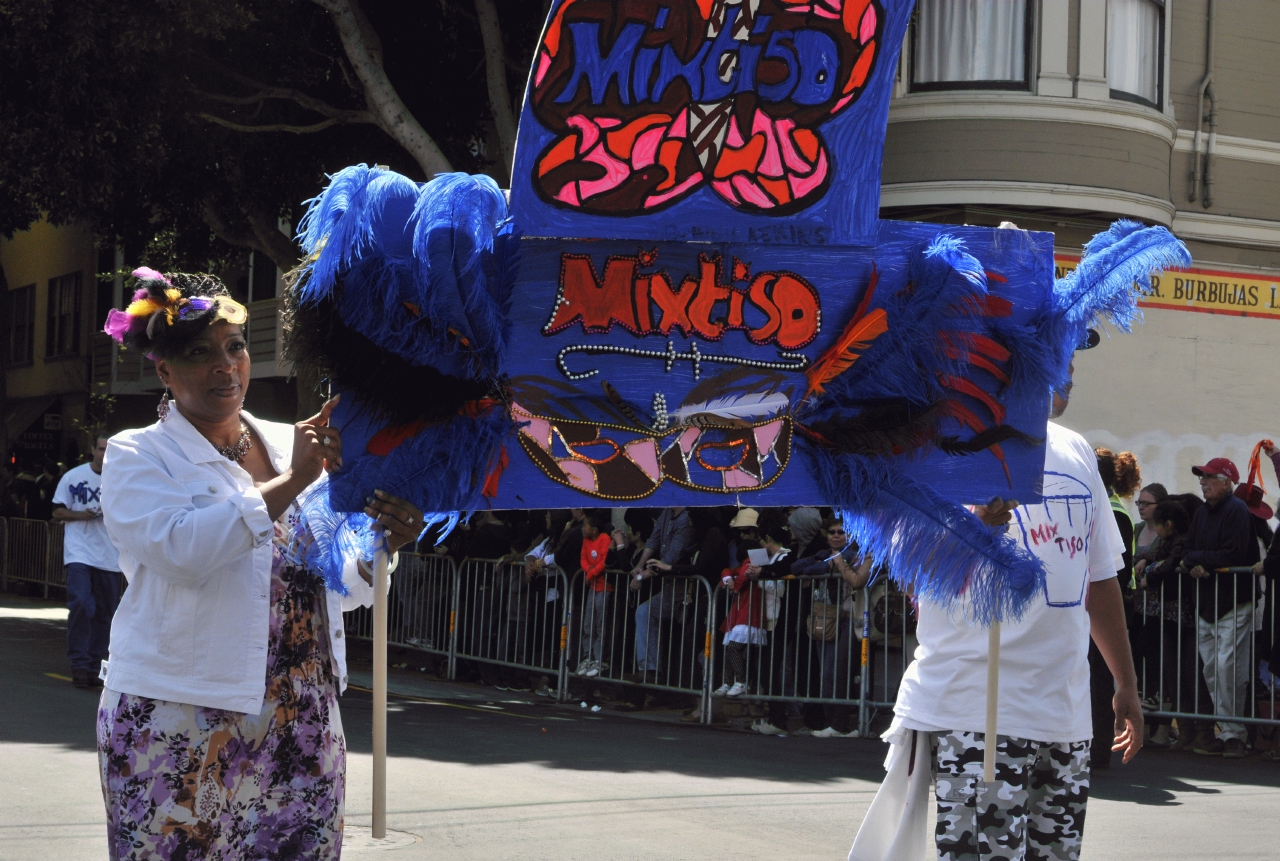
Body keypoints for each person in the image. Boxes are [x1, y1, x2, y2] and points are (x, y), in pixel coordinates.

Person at [97, 269, 423, 859]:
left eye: (235, 347)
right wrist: (292, 481)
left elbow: (338, 580)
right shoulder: (137, 453)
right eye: (200, 353)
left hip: (302, 716)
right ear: (163, 370)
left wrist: (383, 548)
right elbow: (183, 551)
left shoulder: (287, 439)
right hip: (180, 717)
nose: (225, 366)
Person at [850, 359, 1142, 861]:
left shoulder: (1075, 451)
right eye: (1051, 353)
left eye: (1069, 355)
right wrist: (977, 529)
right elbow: (912, 566)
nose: (1064, 368)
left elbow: (1099, 579)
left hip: (1065, 716)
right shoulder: (943, 447)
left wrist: (1125, 682)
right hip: (977, 712)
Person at [1181, 457, 1259, 758]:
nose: (1203, 481)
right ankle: (1228, 730)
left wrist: (1198, 562)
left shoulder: (1237, 510)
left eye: (1209, 477)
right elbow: (1190, 550)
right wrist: (1194, 561)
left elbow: (1234, 552)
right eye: (1203, 477)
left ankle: (1234, 734)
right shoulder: (1202, 512)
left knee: (1229, 670)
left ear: (1226, 482)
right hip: (1209, 603)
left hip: (1232, 601)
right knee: (1214, 670)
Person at [51, 432, 122, 689]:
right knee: (81, 603)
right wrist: (82, 515)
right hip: (80, 552)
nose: (104, 454)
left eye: (109, 450)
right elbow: (57, 510)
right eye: (101, 449)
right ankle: (79, 663)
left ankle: (94, 665)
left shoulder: (122, 479)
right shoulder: (74, 477)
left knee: (105, 614)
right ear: (93, 450)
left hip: (111, 556)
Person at [792, 516, 871, 738]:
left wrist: (828, 565)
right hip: (823, 617)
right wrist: (821, 564)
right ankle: (833, 723)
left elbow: (853, 579)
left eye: (840, 532)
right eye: (832, 532)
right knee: (826, 672)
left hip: (848, 616)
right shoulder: (826, 553)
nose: (836, 536)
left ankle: (839, 724)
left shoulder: (855, 553)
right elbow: (797, 567)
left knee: (835, 672)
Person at [1133, 498, 1197, 748]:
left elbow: (1170, 563)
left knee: (1178, 670)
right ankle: (1176, 725)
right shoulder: (1171, 540)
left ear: (1168, 524)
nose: (1156, 531)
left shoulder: (1180, 542)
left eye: (1159, 526)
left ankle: (1186, 729)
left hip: (1176, 614)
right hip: (1166, 613)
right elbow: (1160, 556)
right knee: (1164, 662)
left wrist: (1151, 576)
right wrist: (1147, 561)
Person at [628, 506, 695, 678]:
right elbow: (654, 540)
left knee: (649, 614)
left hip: (684, 586)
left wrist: (642, 576)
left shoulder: (685, 519)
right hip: (669, 585)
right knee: (644, 612)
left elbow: (671, 557)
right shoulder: (667, 513)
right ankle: (649, 668)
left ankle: (654, 670)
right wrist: (639, 565)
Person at [713, 508, 768, 698]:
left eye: (746, 531)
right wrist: (729, 578)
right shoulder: (748, 556)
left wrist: (733, 584)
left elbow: (744, 574)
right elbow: (730, 570)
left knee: (734, 648)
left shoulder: (758, 554)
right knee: (730, 648)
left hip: (750, 610)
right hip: (739, 611)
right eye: (739, 532)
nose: (742, 535)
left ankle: (741, 681)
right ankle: (729, 682)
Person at [576, 509, 616, 678]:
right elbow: (583, 558)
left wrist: (591, 573)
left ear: (593, 529)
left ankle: (599, 659)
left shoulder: (605, 539)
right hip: (592, 587)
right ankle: (588, 657)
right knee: (588, 624)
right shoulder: (586, 540)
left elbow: (603, 562)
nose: (582, 528)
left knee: (600, 625)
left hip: (604, 588)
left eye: (585, 525)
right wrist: (588, 570)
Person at [1133, 483, 1169, 557]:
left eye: (1146, 503)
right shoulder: (1136, 529)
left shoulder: (1168, 532)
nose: (1140, 507)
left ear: (1160, 505)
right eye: (1139, 503)